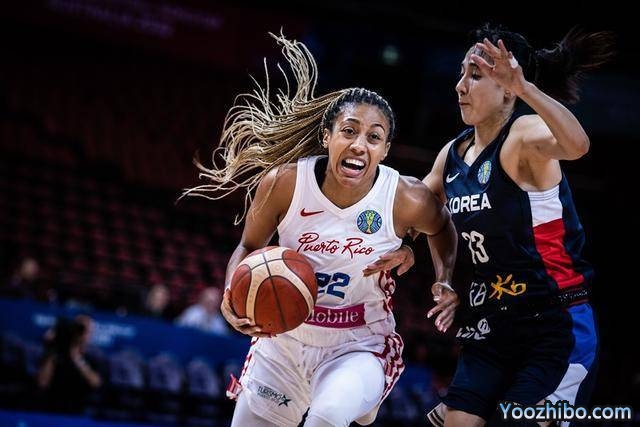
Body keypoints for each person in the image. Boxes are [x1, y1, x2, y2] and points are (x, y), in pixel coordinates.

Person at [182, 34, 458, 427]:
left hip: (358, 342)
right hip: (283, 339)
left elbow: (442, 225)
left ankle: (361, 392)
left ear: (385, 150)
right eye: (349, 131)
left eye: (374, 137)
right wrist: (232, 292)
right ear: (327, 136)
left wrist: (443, 276)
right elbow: (248, 246)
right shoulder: (283, 183)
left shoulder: (404, 197)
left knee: (326, 416)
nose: (360, 144)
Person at [374, 24, 614, 426]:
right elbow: (416, 209)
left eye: (475, 75)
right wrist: (408, 246)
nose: (460, 86)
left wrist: (526, 89)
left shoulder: (524, 135)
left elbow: (578, 145)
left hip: (554, 325)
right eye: (461, 73)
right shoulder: (453, 153)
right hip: (493, 324)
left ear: (506, 88)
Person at [37, 314, 102, 413]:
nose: (80, 333)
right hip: (51, 407)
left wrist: (76, 357)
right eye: (78, 328)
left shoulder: (94, 356)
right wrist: (54, 348)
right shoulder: (56, 352)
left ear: (90, 334)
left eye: (84, 330)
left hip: (78, 409)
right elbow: (42, 383)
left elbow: (95, 383)